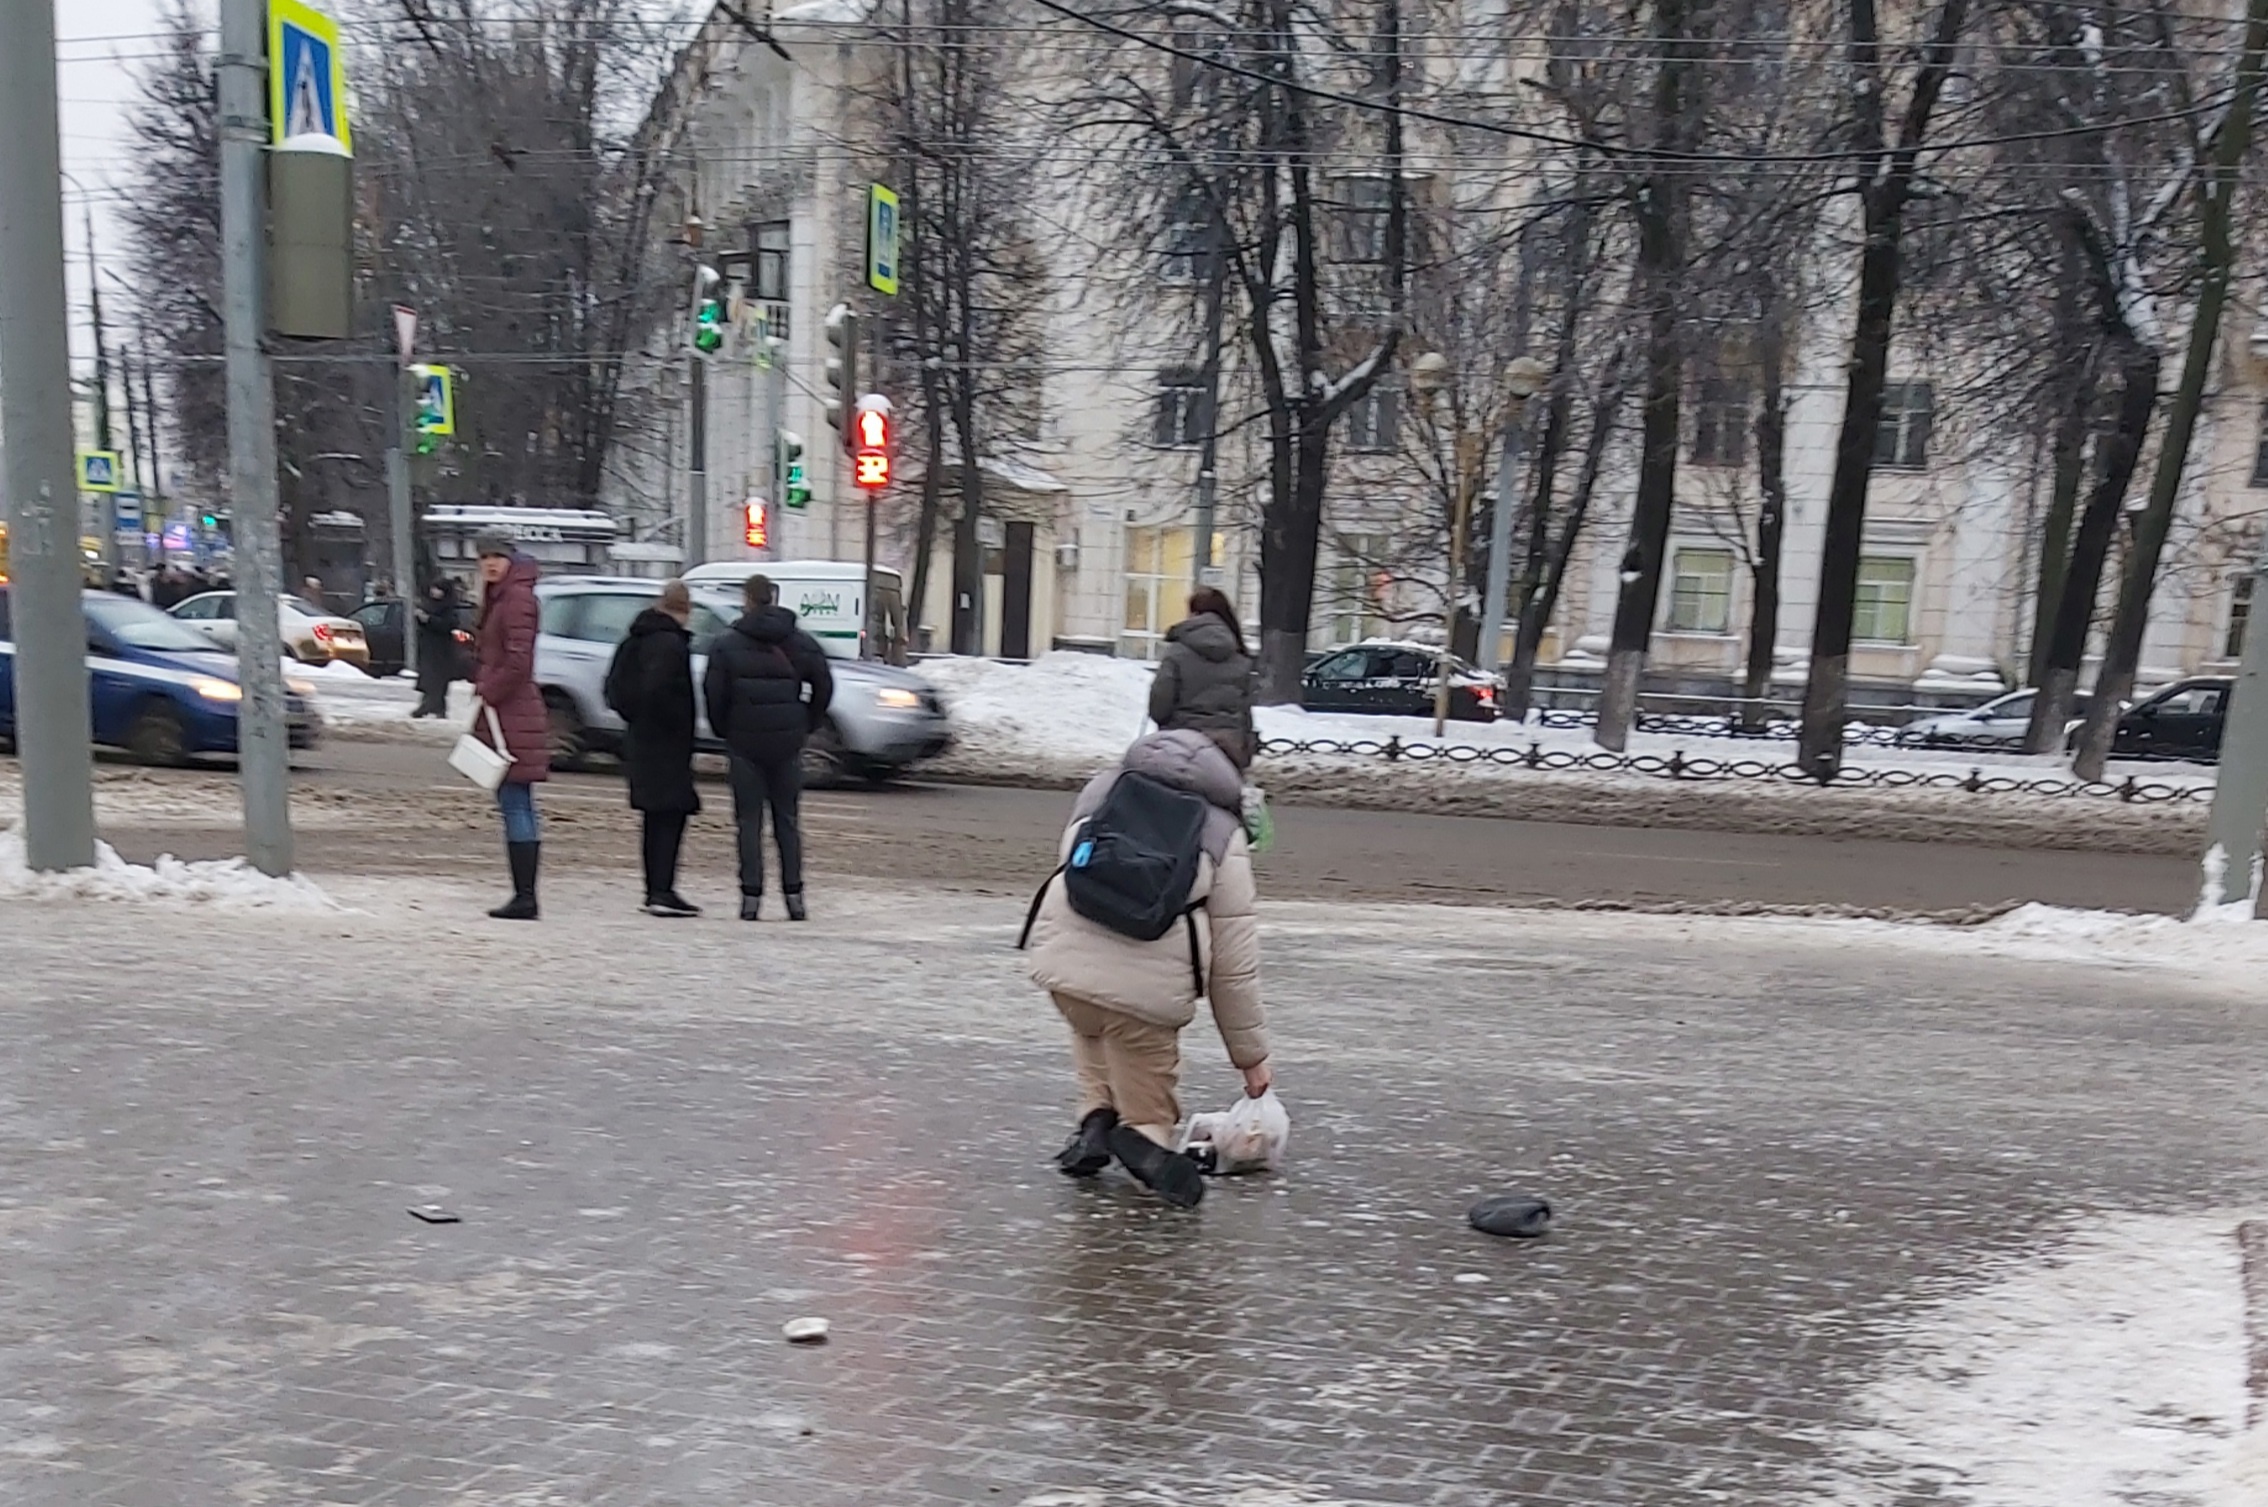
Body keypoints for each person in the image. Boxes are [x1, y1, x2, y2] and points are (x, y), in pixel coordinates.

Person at [1023, 729, 1271, 1209]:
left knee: (1093, 1020)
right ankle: (1147, 1141)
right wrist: (1251, 1058)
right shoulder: (1222, 831)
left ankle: (1096, 1118)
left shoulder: (1102, 790)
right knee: (1146, 1076)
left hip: (1063, 967)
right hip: (1146, 994)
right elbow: (1234, 964)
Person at [703, 573, 832, 921]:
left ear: (747, 598)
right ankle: (794, 896)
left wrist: (725, 729)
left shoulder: (726, 643)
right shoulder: (800, 642)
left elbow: (714, 694)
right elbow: (823, 685)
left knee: (748, 822)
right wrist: (806, 721)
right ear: (772, 598)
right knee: (787, 821)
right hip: (787, 740)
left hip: (744, 741)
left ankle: (750, 897)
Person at [606, 580, 703, 918]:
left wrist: (634, 716)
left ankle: (655, 889)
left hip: (641, 740)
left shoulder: (635, 639)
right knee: (669, 816)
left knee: (654, 816)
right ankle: (662, 890)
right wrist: (671, 721)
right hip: (666, 743)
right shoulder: (670, 645)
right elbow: (658, 690)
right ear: (685, 610)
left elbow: (614, 689)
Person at [470, 534, 550, 920]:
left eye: (496, 556)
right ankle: (524, 893)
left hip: (510, 711)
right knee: (516, 800)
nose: (489, 563)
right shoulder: (504, 595)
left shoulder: (515, 598)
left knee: (515, 800)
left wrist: (488, 690)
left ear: (510, 559)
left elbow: (519, 662)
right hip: (507, 711)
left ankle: (525, 895)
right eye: (484, 557)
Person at [1148, 585, 1257, 769]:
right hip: (1228, 747)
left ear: (1195, 613)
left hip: (1181, 744)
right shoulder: (1239, 656)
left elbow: (1160, 705)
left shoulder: (1177, 653)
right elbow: (1245, 711)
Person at [412, 577, 461, 718]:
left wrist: (429, 620)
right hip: (428, 647)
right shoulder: (430, 604)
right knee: (429, 678)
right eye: (433, 588)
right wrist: (421, 618)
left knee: (436, 679)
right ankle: (436, 707)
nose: (434, 592)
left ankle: (429, 706)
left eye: (438, 589)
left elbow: (449, 624)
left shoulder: (449, 607)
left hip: (441, 649)